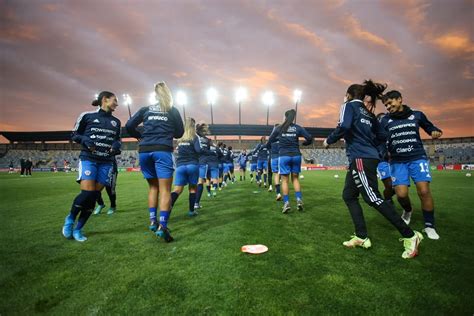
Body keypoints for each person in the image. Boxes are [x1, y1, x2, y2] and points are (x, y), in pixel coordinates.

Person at [323, 80, 423, 259]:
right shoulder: (369, 113)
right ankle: (361, 236)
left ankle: (410, 235)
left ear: (348, 95)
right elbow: (383, 135)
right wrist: (375, 149)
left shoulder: (348, 106)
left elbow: (344, 126)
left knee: (372, 197)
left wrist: (329, 140)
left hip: (361, 158)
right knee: (349, 195)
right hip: (366, 157)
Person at [126, 82, 184, 242]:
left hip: (144, 150)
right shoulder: (172, 110)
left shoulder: (146, 109)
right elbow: (180, 133)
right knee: (165, 190)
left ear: (155, 95)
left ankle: (153, 221)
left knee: (153, 187)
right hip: (162, 149)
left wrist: (140, 136)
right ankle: (162, 226)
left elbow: (129, 125)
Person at [381, 90, 443, 240]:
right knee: (401, 194)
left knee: (423, 191)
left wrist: (434, 131)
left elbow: (430, 128)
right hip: (397, 161)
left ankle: (429, 226)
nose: (388, 107)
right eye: (386, 105)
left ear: (400, 99)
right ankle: (408, 210)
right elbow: (379, 138)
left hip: (417, 158)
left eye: (390, 103)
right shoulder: (384, 120)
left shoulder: (417, 115)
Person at [62, 91, 121, 242]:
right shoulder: (87, 116)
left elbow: (118, 140)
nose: (117, 104)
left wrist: (115, 146)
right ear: (105, 100)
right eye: (115, 100)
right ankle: (70, 218)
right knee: (87, 194)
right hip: (89, 159)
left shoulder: (116, 122)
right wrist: (86, 141)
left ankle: (78, 229)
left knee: (93, 197)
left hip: (107, 162)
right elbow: (74, 134)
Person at [268, 109, 313, 213]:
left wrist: (275, 142)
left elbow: (270, 139)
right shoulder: (298, 128)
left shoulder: (279, 128)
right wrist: (305, 143)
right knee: (295, 179)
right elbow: (309, 138)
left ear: (285, 117)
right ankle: (299, 200)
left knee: (284, 181)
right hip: (296, 155)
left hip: (284, 156)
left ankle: (287, 203)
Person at [170, 117, 201, 217]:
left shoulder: (180, 138)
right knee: (192, 189)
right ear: (193, 126)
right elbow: (198, 150)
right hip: (192, 165)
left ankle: (166, 209)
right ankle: (191, 211)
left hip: (180, 166)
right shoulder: (195, 137)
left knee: (177, 190)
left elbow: (177, 151)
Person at [375, 113, 394, 202]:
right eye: (381, 118)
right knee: (389, 185)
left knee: (399, 186)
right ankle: (388, 201)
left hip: (395, 161)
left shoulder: (392, 131)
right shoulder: (375, 133)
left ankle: (388, 198)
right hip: (382, 161)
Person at [269, 124, 281, 200]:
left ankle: (278, 193)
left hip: (273, 157)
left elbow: (268, 146)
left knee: (275, 174)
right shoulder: (283, 136)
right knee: (283, 175)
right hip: (282, 157)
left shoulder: (271, 138)